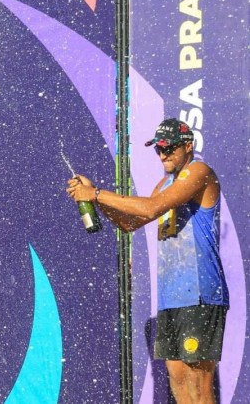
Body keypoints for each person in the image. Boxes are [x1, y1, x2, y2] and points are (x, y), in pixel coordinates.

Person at [66, 118, 228, 404]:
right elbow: (130, 223)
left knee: (200, 387)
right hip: (171, 297)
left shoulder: (199, 171)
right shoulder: (165, 182)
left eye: (169, 148)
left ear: (188, 146)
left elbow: (152, 206)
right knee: (178, 383)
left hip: (201, 294)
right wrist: (94, 199)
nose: (163, 155)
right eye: (158, 150)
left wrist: (97, 193)